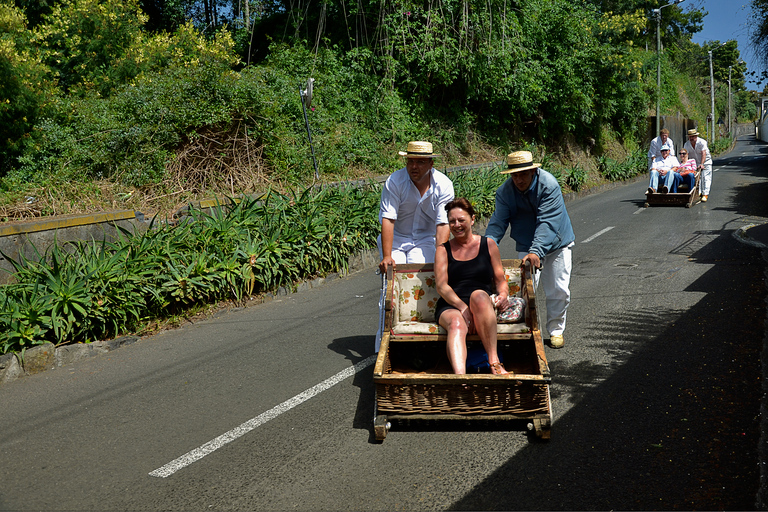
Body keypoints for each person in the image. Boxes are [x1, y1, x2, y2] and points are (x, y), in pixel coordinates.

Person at [485, 151, 575, 349]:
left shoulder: (549, 185)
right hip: (526, 245)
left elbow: (548, 223)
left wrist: (536, 251)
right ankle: (526, 332)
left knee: (558, 290)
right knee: (524, 292)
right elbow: (498, 223)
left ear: (534, 171)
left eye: (523, 174)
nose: (518, 179)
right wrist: (484, 246)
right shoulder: (505, 192)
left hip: (557, 244)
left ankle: (556, 331)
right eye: (514, 175)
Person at [375, 140, 455, 352]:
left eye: (420, 162)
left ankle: (423, 342)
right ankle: (384, 346)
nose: (414, 167)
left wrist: (442, 257)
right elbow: (388, 219)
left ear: (430, 163)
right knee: (391, 289)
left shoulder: (443, 185)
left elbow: (442, 225)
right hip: (397, 239)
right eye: (411, 161)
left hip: (426, 239)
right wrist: (386, 255)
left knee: (426, 285)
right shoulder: (395, 181)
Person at [434, 198, 509, 375]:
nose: (456, 225)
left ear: (472, 220)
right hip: (451, 304)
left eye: (461, 220)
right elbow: (442, 286)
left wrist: (503, 294)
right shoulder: (443, 250)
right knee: (457, 324)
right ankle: (461, 378)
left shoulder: (488, 244)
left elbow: (500, 279)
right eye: (452, 221)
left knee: (479, 295)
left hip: (481, 303)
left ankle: (494, 362)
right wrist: (462, 307)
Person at [683, 128, 713, 202]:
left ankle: (705, 194)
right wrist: (685, 165)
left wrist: (702, 164)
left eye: (693, 136)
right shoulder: (687, 144)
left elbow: (704, 153)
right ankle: (698, 193)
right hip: (695, 163)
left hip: (706, 162)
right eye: (690, 137)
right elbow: (686, 155)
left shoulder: (702, 142)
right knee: (697, 178)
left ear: (696, 136)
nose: (691, 138)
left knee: (705, 178)